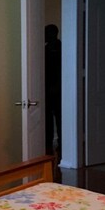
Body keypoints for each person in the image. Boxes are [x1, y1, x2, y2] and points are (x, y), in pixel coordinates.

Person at [45, 24, 61, 157]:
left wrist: (56, 86)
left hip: (58, 89)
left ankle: (62, 142)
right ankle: (48, 142)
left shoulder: (61, 48)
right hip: (46, 89)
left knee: (59, 117)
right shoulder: (44, 49)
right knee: (47, 118)